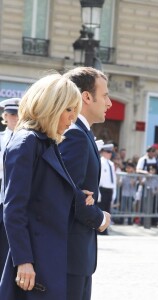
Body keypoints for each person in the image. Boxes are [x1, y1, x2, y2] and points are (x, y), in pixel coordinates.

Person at [0, 74, 108, 300]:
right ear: (51, 106)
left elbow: (46, 189)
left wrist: (77, 195)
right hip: (35, 260)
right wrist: (23, 261)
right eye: (69, 110)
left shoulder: (47, 141)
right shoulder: (26, 141)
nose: (72, 118)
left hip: (50, 255)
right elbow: (14, 208)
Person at [59, 66, 112, 299]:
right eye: (105, 95)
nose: (109, 102)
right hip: (70, 254)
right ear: (86, 97)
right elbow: (69, 195)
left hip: (77, 254)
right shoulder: (75, 135)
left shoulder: (82, 133)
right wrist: (100, 218)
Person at [0, 98, 20, 278]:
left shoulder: (26, 139)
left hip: (13, 201)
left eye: (18, 114)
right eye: (12, 114)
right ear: (5, 116)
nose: (15, 118)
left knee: (8, 247)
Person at [98, 143, 117, 235]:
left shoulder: (111, 164)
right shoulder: (100, 162)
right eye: (108, 152)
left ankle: (105, 229)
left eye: (111, 152)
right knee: (101, 210)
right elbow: (99, 178)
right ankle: (100, 229)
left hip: (109, 189)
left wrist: (114, 192)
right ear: (103, 152)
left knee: (108, 211)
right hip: (102, 189)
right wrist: (98, 192)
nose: (110, 154)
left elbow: (114, 179)